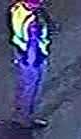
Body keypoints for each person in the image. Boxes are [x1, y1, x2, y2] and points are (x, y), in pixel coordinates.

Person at [9, 0, 55, 129]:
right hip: (31, 57)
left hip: (25, 53)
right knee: (30, 87)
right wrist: (34, 61)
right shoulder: (31, 20)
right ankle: (23, 118)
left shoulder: (20, 9)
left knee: (27, 86)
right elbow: (32, 44)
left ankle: (23, 115)